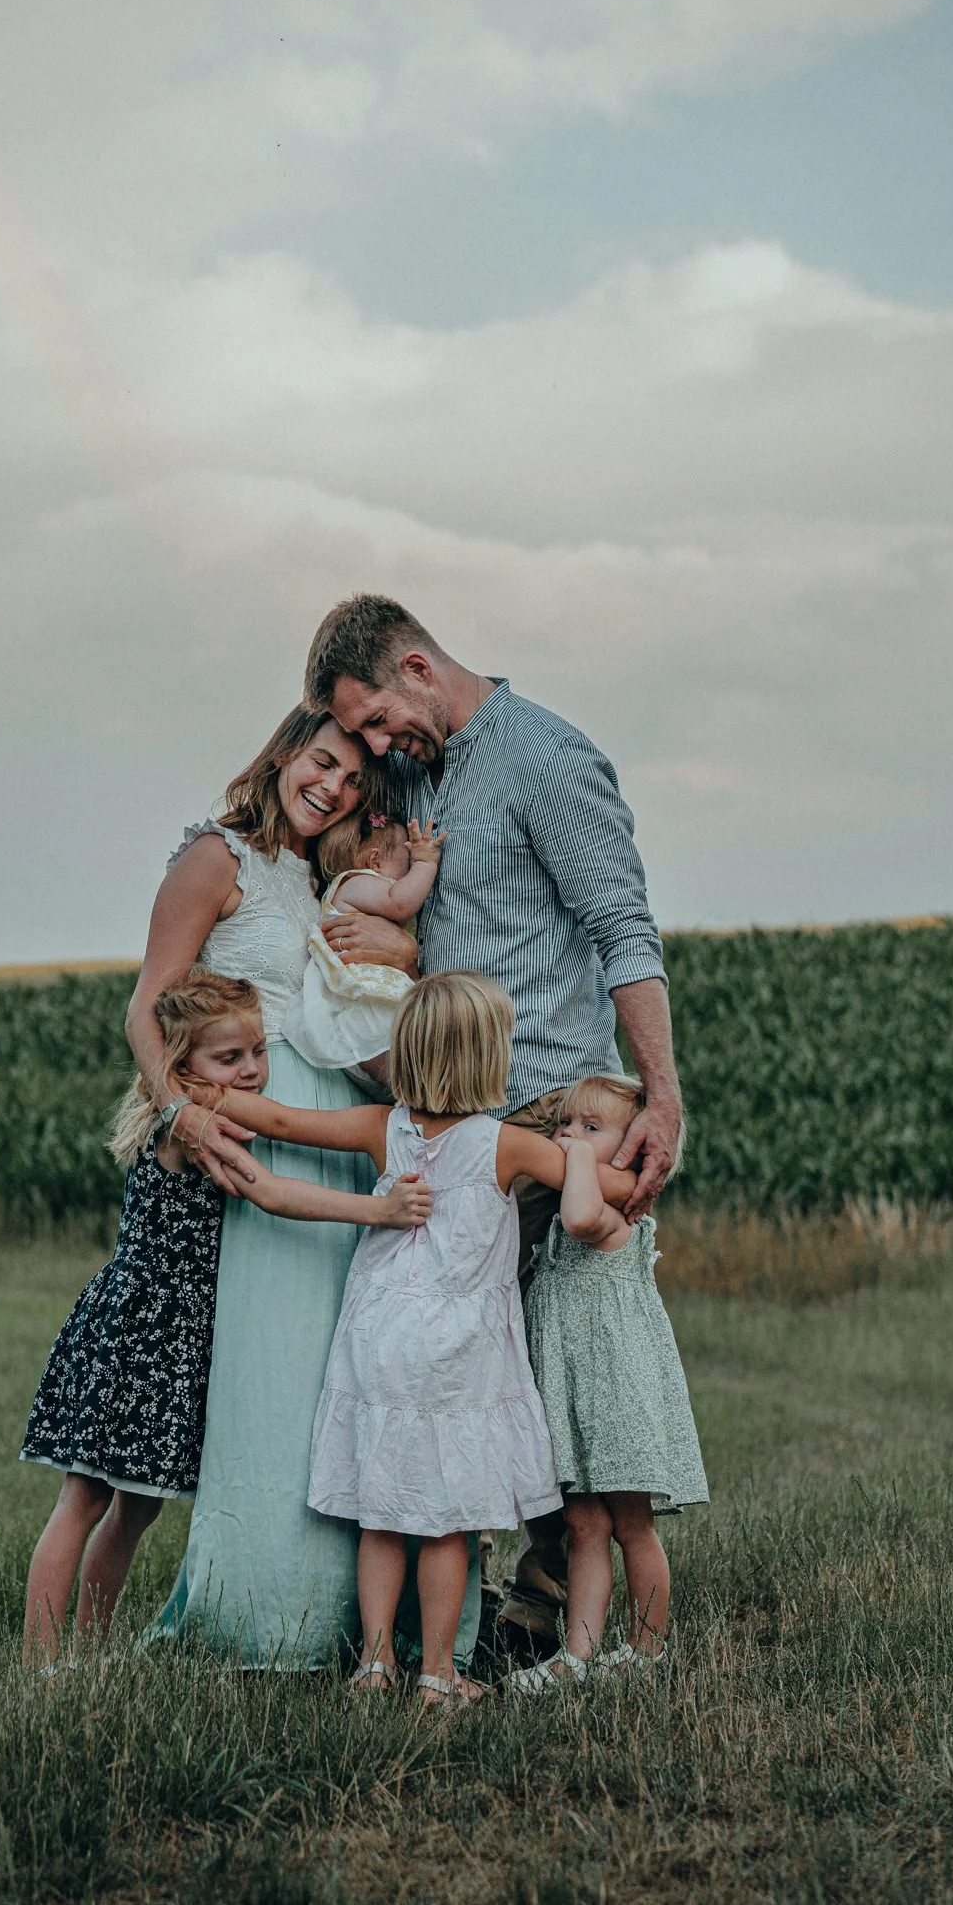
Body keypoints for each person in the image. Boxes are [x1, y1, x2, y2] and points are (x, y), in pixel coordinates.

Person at [304, 593, 684, 1643]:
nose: (376, 746)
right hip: (450, 1116)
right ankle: (460, 1619)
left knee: (559, 1370)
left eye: (379, 719)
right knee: (462, 1366)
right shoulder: (417, 781)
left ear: (418, 667)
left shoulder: (549, 760)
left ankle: (555, 1606)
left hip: (555, 1110)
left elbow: (623, 929)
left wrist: (661, 1093)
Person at [130, 705, 481, 1668]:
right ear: (286, 752)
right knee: (279, 1366)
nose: (330, 787)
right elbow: (146, 1001)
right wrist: (181, 1111)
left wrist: (403, 952)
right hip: (267, 1118)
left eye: (352, 784)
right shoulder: (218, 858)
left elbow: (362, 976)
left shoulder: (321, 875)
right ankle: (267, 1611)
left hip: (340, 1117)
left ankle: (371, 1626)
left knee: (358, 1359)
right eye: (322, 763)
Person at [214, 973, 639, 1709]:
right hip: (457, 1348)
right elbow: (615, 1191)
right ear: (488, 1060)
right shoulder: (506, 1144)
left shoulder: (383, 1126)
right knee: (446, 1521)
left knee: (381, 1509)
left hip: (378, 1333)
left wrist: (198, 1094)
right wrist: (588, 1156)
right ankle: (439, 1676)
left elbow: (279, 1121)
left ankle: (373, 1664)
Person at [20, 968, 432, 1668]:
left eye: (255, 1051)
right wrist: (377, 1209)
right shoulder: (196, 1123)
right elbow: (268, 1192)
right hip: (138, 1334)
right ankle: (39, 1663)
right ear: (183, 1067)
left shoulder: (210, 1106)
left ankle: (81, 1655)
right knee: (84, 1498)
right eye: (227, 1057)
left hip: (169, 1339)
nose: (249, 1069)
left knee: (135, 1507)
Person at [511, 1075, 708, 1693]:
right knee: (583, 1528)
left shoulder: (612, 1218)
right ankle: (579, 1654)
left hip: (616, 1401)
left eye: (590, 1129)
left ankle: (648, 1651)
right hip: (573, 1398)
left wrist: (568, 1159)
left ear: (631, 1151)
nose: (570, 1136)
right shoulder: (574, 1195)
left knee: (630, 1527)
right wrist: (575, 1151)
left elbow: (576, 1215)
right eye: (565, 1124)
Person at [284, 817, 445, 1070]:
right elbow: (400, 903)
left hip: (366, 999)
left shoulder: (356, 887)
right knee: (404, 1055)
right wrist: (426, 863)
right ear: (375, 861)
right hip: (365, 996)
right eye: (408, 861)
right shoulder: (356, 882)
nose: (410, 869)